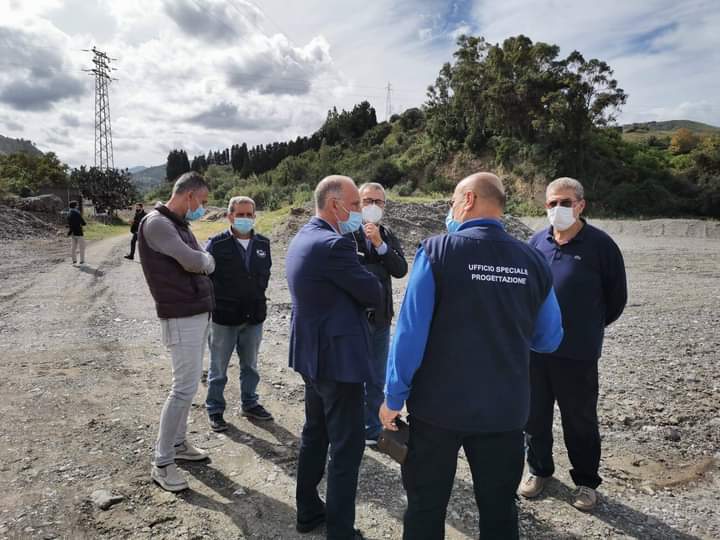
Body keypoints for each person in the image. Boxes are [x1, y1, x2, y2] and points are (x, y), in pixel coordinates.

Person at [379, 172, 564, 540]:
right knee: (498, 510)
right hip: (505, 411)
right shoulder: (533, 260)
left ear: (467, 200)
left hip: (438, 411)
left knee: (426, 506)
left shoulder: (437, 251)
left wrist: (393, 397)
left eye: (451, 201)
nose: (451, 209)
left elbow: (410, 333)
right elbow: (549, 339)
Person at [519, 177, 627, 511]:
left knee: (579, 419)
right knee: (534, 417)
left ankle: (585, 481)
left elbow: (616, 299)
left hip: (578, 353)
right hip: (535, 351)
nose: (557, 209)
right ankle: (539, 470)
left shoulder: (601, 246)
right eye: (552, 203)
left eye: (565, 202)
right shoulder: (536, 242)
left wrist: (587, 328)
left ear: (580, 205)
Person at [286, 175, 383, 540]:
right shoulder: (334, 245)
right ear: (334, 205)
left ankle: (309, 510)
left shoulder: (303, 237)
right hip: (338, 361)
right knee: (347, 445)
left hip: (313, 357)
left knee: (317, 433)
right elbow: (372, 291)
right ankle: (341, 530)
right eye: (356, 204)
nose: (360, 211)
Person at [137, 171, 216, 493]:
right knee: (182, 388)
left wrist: (202, 261)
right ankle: (162, 461)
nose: (203, 207)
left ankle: (180, 444)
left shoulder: (177, 223)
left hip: (193, 313)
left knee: (188, 384)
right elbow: (193, 261)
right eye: (203, 201)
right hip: (181, 315)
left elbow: (194, 260)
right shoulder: (158, 223)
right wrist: (207, 261)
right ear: (189, 196)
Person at [204, 196, 273, 431]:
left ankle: (250, 403)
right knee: (218, 368)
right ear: (230, 216)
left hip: (253, 317)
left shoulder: (263, 244)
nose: (245, 219)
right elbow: (204, 278)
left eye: (249, 215)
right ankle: (215, 408)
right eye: (240, 214)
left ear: (255, 216)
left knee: (250, 366)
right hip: (224, 317)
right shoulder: (216, 244)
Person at [350, 182, 407, 445]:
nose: (373, 206)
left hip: (381, 319)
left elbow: (400, 269)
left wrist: (380, 245)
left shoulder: (386, 233)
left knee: (376, 377)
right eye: (367, 201)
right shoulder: (346, 233)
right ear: (358, 203)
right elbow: (352, 272)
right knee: (350, 375)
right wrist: (379, 266)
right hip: (353, 319)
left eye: (378, 202)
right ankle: (348, 427)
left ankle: (372, 429)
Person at [67, 200, 86, 265]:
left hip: (73, 233)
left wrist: (69, 232)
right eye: (77, 205)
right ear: (75, 206)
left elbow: (70, 225)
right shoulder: (77, 213)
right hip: (79, 233)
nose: (77, 206)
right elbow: (84, 223)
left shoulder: (69, 214)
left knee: (73, 247)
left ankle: (74, 260)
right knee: (82, 247)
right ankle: (82, 260)